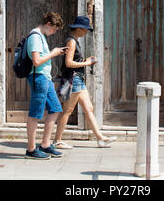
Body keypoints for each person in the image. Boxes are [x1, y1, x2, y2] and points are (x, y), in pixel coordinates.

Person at [53, 16, 116, 149]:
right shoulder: (72, 41)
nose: (86, 32)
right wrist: (87, 62)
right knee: (67, 110)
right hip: (73, 79)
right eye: (86, 29)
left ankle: (100, 138)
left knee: (89, 108)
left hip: (79, 79)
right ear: (79, 29)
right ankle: (57, 141)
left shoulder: (75, 40)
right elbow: (68, 63)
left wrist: (84, 60)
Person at [25, 11, 67, 160]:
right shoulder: (35, 36)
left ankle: (45, 144)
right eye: (55, 29)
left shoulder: (40, 36)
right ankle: (31, 150)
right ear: (49, 24)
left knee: (55, 108)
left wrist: (53, 53)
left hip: (46, 78)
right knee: (36, 113)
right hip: (39, 78)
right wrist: (53, 53)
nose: (54, 32)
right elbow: (36, 61)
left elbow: (40, 57)